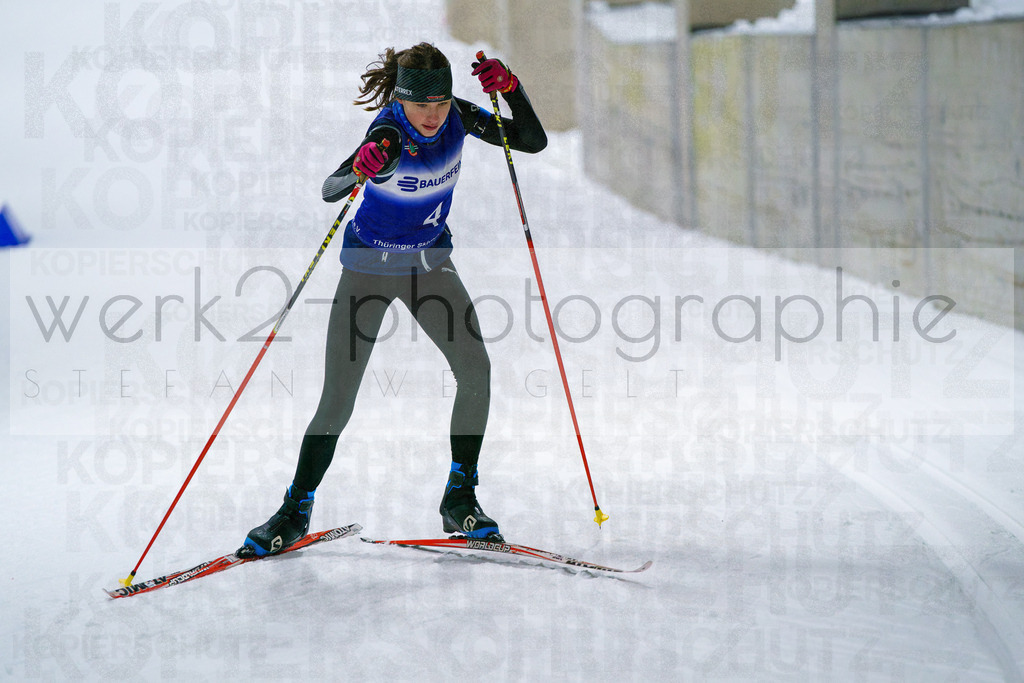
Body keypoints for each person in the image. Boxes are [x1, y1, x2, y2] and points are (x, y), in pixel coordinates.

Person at [240, 42, 547, 556]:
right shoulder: (388, 132)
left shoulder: (458, 118)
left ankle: (460, 497)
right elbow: (331, 187)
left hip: (429, 266)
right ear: (401, 101)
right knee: (338, 399)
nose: (431, 116)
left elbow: (531, 141)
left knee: (476, 369)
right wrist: (363, 164)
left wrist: (513, 90)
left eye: (441, 103)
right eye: (420, 105)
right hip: (369, 272)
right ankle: (295, 509)